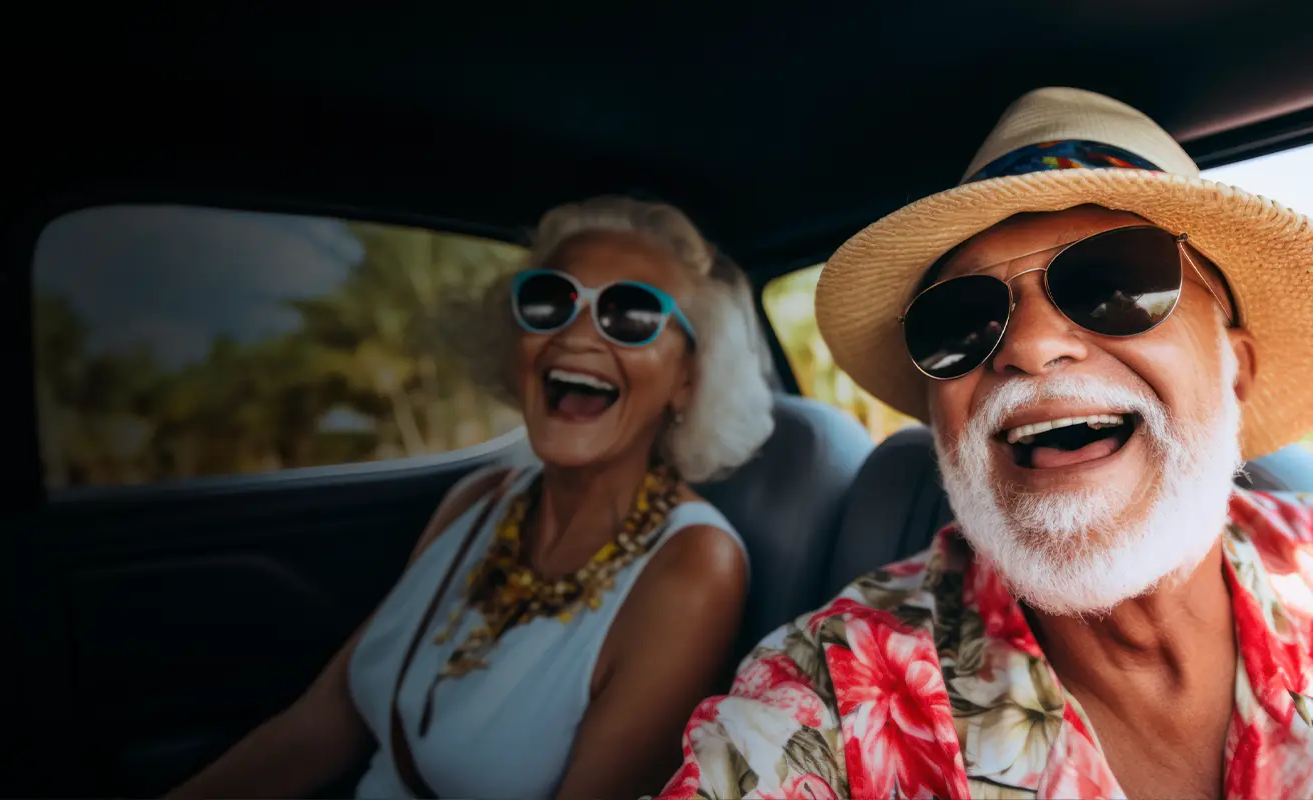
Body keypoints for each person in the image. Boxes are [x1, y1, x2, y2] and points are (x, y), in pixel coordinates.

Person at [660, 87, 1313, 800]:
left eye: (1114, 284)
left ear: (1236, 370)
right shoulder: (831, 693)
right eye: (961, 323)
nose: (1028, 348)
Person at [169, 196, 778, 800]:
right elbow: (319, 729)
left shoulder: (693, 568)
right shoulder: (477, 502)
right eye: (549, 301)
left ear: (687, 380)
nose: (575, 334)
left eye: (631, 314)